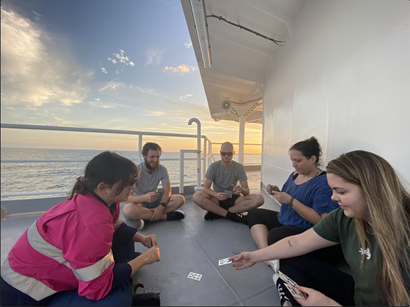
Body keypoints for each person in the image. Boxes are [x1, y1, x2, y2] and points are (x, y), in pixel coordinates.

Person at [230, 150, 410, 306]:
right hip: (357, 297)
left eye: (341, 191)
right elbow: (299, 242)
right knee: (288, 262)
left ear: (372, 189)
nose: (333, 198)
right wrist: (255, 256)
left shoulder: (405, 233)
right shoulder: (344, 217)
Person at [1, 151, 161, 306]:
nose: (132, 187)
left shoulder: (99, 199)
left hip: (53, 272)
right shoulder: (92, 223)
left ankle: (123, 274)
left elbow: (116, 226)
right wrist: (145, 259)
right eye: (128, 183)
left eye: (133, 181)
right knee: (116, 299)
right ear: (103, 187)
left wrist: (141, 238)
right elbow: (97, 289)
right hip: (26, 294)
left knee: (124, 241)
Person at [247, 137, 341, 267]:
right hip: (285, 219)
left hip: (305, 229)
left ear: (312, 159)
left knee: (275, 234)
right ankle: (267, 255)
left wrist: (291, 201)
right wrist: (276, 192)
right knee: (253, 214)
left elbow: (322, 222)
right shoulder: (295, 175)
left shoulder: (323, 182)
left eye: (297, 161)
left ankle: (269, 252)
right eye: (292, 160)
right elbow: (288, 196)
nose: (293, 165)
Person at [193, 142, 264, 225]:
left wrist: (241, 190)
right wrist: (216, 195)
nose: (226, 156)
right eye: (223, 153)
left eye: (229, 153)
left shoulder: (239, 167)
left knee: (259, 199)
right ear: (220, 153)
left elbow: (246, 191)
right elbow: (206, 188)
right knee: (197, 196)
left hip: (234, 198)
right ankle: (231, 215)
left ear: (233, 153)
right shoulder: (213, 167)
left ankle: (219, 212)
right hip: (217, 199)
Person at [122, 142, 185, 230]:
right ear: (144, 156)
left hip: (155, 201)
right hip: (140, 202)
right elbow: (127, 198)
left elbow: (167, 191)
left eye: (157, 157)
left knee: (180, 199)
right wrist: (145, 198)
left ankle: (145, 218)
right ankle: (165, 216)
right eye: (152, 157)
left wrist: (161, 207)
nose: (155, 160)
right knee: (128, 210)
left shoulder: (162, 170)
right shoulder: (136, 171)